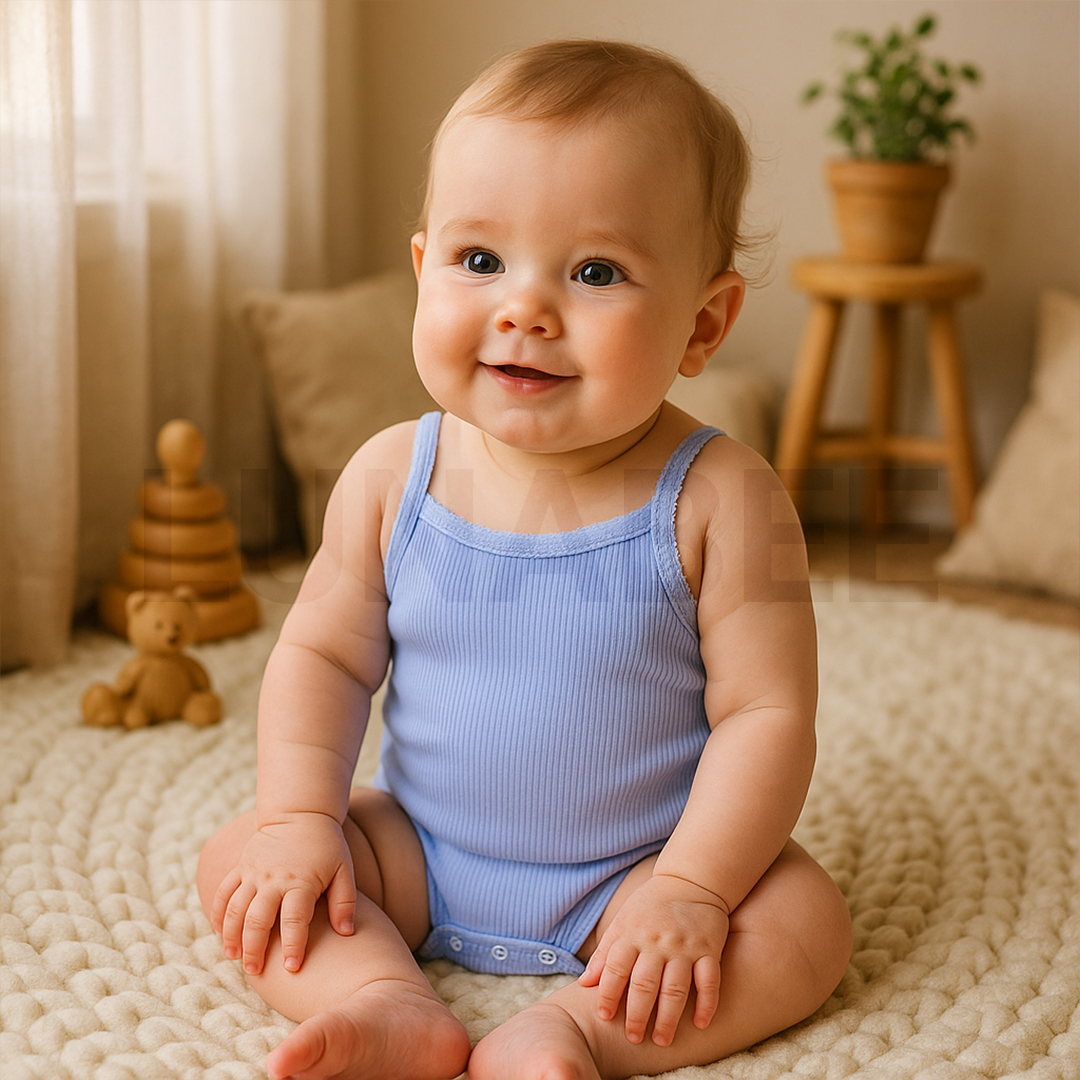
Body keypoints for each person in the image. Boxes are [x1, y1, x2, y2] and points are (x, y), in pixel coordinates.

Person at [197, 38, 853, 1080]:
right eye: (480, 260)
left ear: (704, 321)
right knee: (241, 862)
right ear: (424, 269)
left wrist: (692, 888)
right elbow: (322, 660)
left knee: (806, 925)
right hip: (416, 853)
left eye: (596, 272)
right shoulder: (387, 477)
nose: (524, 308)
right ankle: (383, 999)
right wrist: (297, 818)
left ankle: (577, 1031)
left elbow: (769, 717)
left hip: (637, 875)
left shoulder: (732, 498)